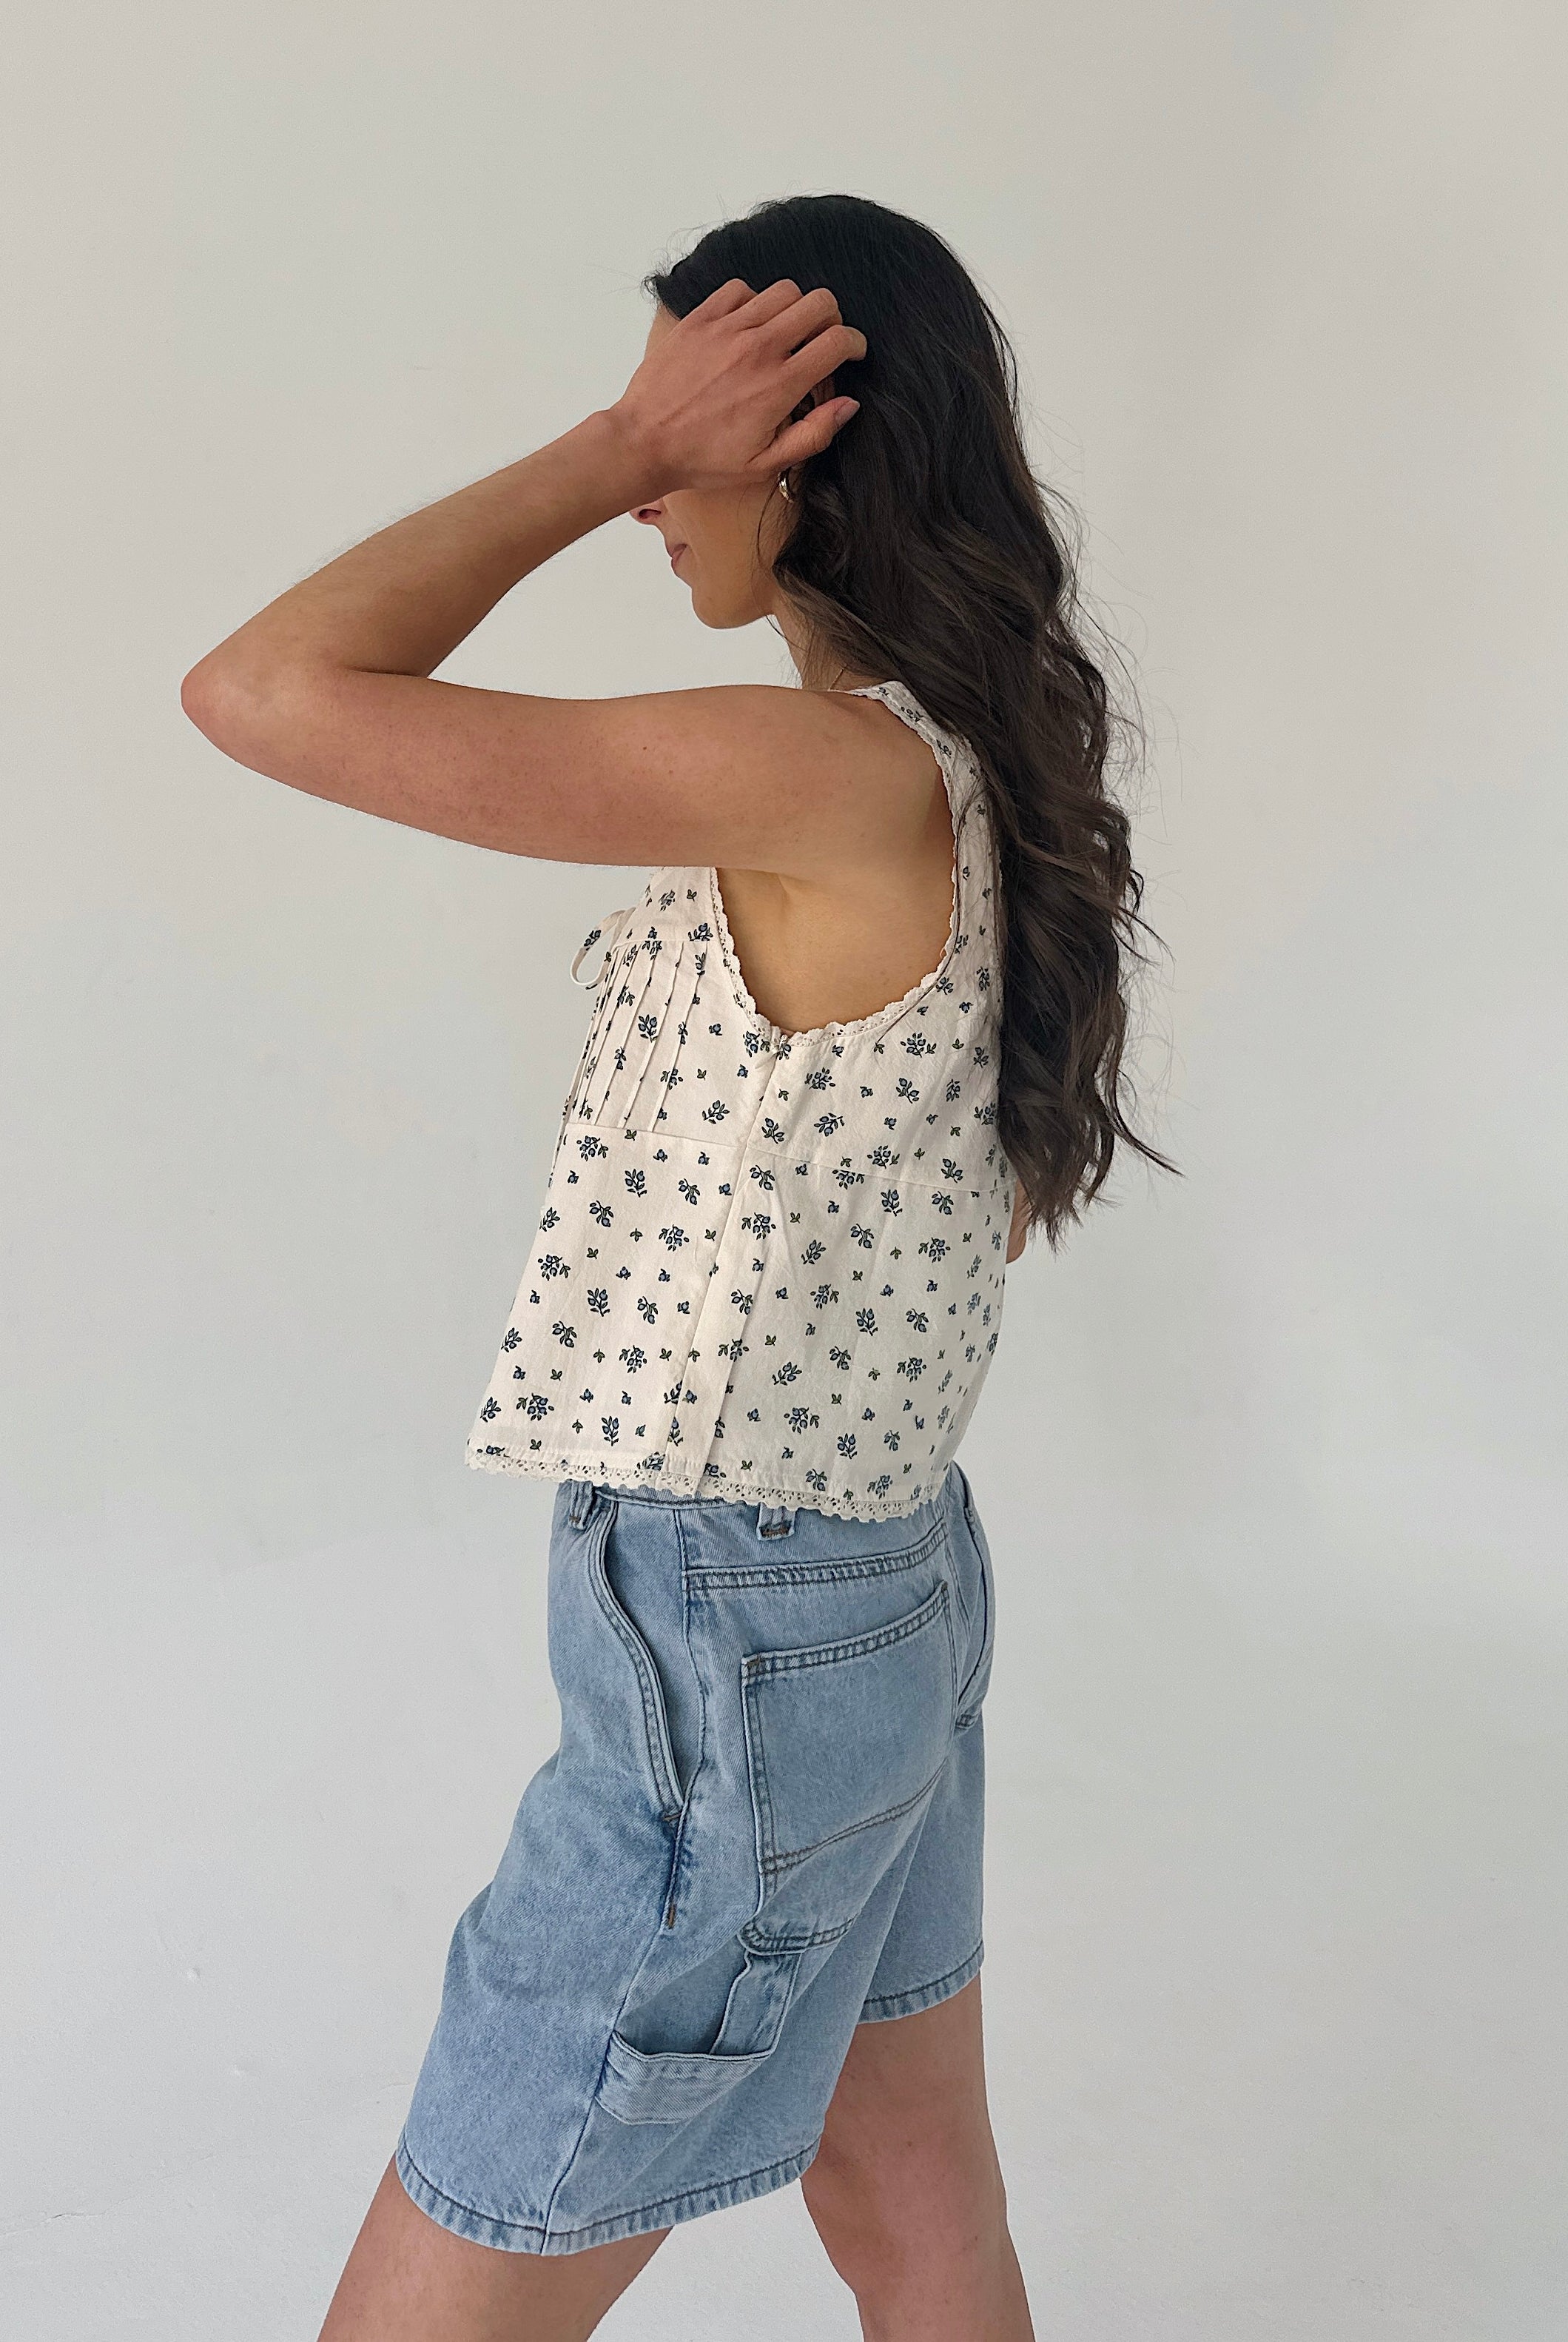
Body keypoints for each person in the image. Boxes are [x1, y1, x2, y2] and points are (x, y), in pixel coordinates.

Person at [183, 191, 1173, 2342]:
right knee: (914, 2206)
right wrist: (654, 439)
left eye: (688, 427)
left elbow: (260, 693)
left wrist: (608, 448)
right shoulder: (964, 757)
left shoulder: (824, 768)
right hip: (881, 1588)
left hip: (737, 1624)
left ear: (804, 446)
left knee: (466, 2254)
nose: (653, 487)